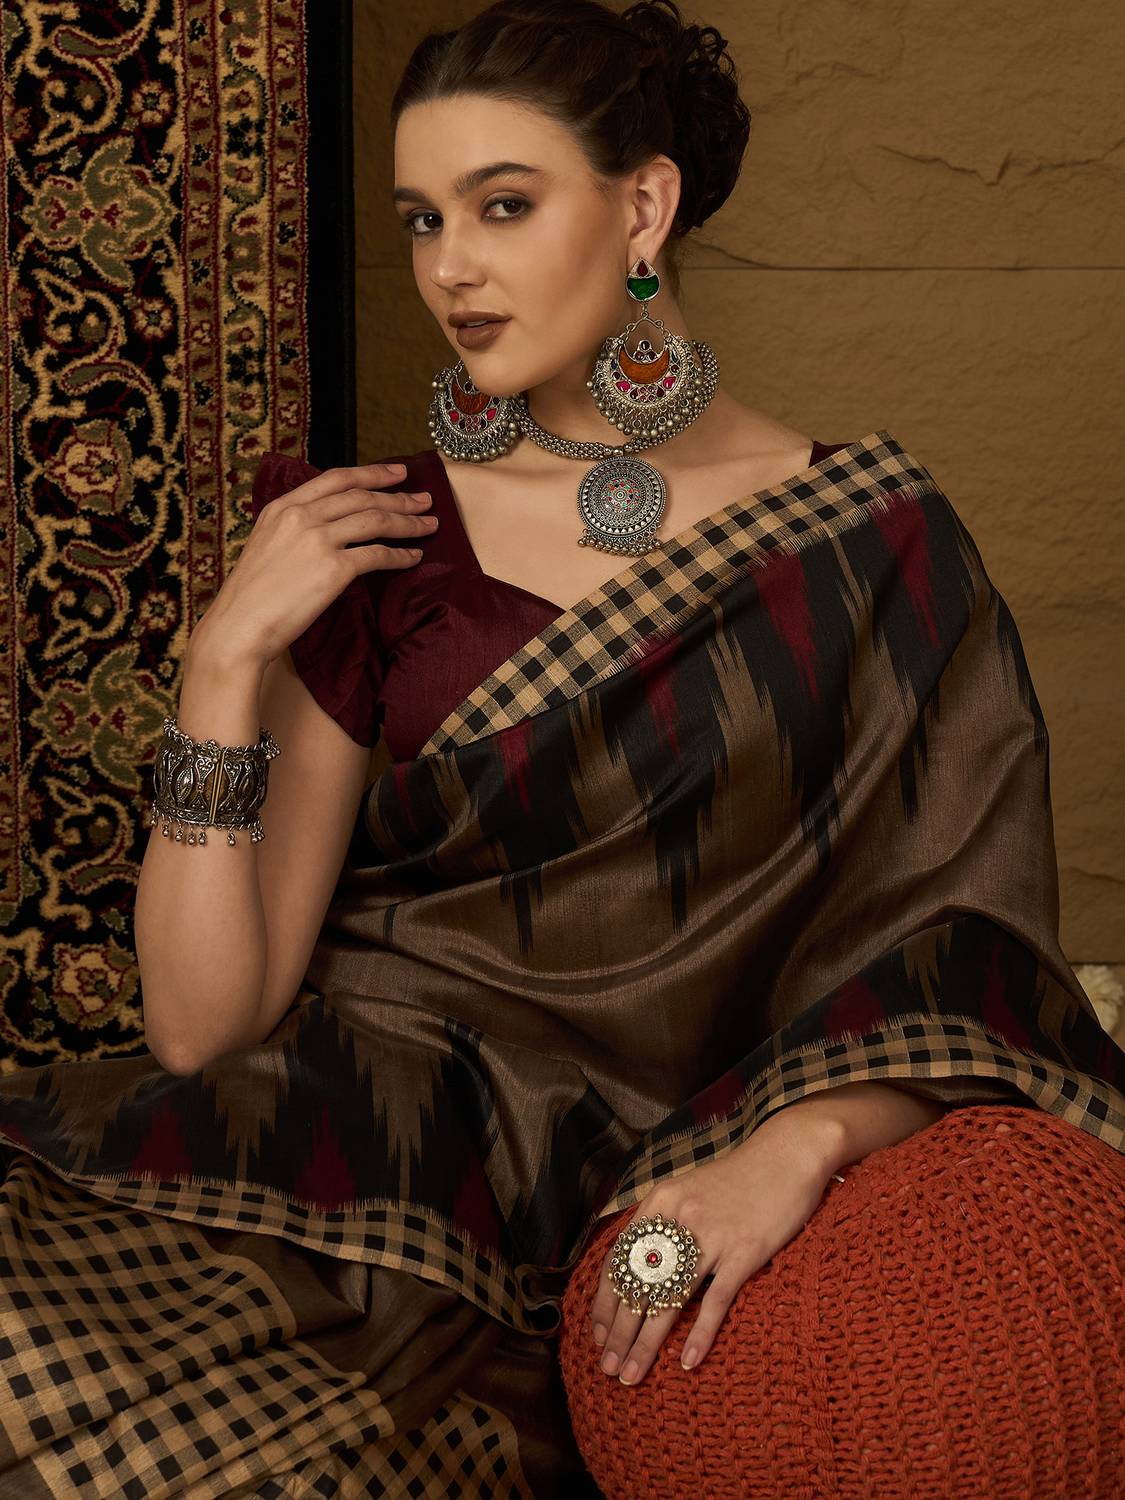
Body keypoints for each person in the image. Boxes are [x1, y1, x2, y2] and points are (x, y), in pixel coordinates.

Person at [0, 1, 1121, 1495]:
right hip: (337, 1145)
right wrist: (220, 667)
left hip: (580, 1208)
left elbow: (960, 952)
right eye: (422, 219)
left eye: (502, 206)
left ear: (643, 208)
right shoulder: (376, 533)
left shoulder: (875, 546)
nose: (448, 268)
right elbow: (203, 1026)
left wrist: (791, 1151)